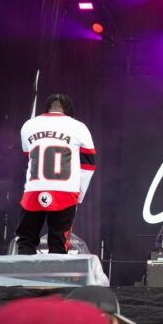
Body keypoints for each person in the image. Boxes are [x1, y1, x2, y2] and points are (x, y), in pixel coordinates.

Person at [15, 94, 96, 255]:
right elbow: (88, 166)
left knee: (26, 241)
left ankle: (23, 280)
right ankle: (55, 281)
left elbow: (28, 157)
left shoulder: (28, 126)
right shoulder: (79, 127)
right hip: (65, 192)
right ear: (68, 110)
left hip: (33, 190)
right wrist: (79, 195)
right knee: (58, 244)